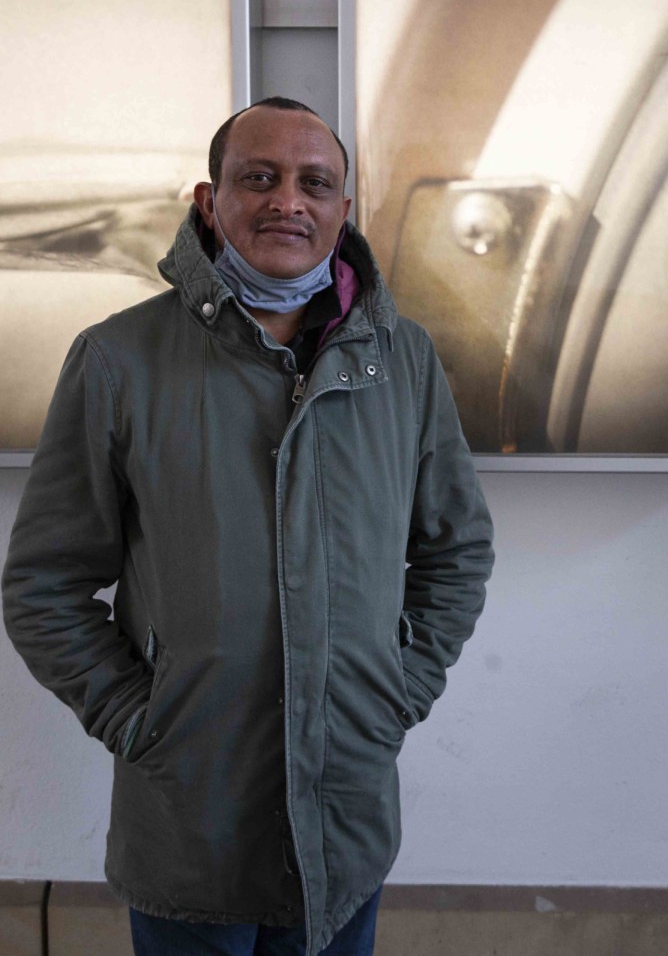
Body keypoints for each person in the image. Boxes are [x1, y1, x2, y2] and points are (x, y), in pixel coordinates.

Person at [2, 97, 494, 956]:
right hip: (190, 826)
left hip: (345, 821)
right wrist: (138, 720)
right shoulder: (118, 360)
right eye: (258, 178)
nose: (287, 201)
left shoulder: (402, 360)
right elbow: (43, 585)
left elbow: (457, 551)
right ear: (209, 200)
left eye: (315, 183)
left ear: (344, 209)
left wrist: (396, 693)